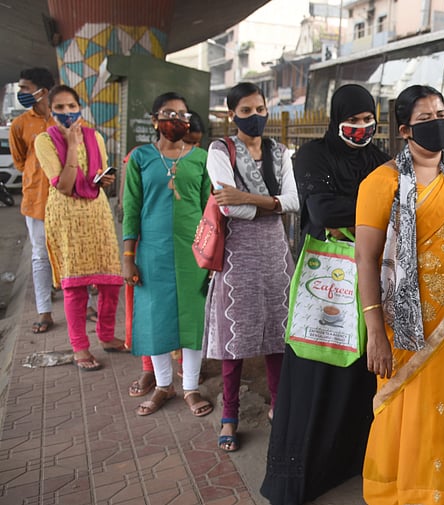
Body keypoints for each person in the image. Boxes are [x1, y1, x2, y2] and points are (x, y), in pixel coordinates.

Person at [356, 84, 444, 505]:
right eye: (425, 119)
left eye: (441, 114)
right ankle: (408, 493)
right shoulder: (381, 184)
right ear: (404, 130)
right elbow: (365, 260)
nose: (437, 123)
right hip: (406, 330)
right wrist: (375, 331)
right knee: (405, 409)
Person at [261, 84, 391, 504]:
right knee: (320, 362)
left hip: (373, 274)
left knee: (360, 372)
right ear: (337, 120)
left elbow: (394, 205)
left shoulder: (380, 157)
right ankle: (301, 476)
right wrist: (371, 207)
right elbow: (321, 213)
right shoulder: (311, 156)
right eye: (353, 121)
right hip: (327, 278)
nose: (361, 128)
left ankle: (352, 460)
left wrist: (348, 209)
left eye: (368, 120)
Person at [204, 82, 299, 452]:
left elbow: (293, 202)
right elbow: (230, 209)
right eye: (246, 111)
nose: (255, 116)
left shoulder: (281, 152)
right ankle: (230, 415)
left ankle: (279, 404)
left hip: (275, 252)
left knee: (278, 333)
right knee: (235, 338)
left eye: (260, 109)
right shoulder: (220, 151)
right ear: (232, 115)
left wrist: (247, 196)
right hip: (238, 255)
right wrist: (268, 202)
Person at [122, 92, 212, 417]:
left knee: (193, 319)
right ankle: (163, 386)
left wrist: (214, 255)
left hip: (194, 253)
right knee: (155, 319)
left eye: (182, 114)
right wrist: (128, 256)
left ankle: (190, 388)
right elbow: (131, 209)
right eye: (168, 113)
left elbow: (209, 210)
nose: (176, 119)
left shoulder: (201, 158)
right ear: (154, 119)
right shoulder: (141, 158)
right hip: (152, 252)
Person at [33, 85, 124, 371]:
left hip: (96, 213)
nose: (67, 112)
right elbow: (63, 184)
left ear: (79, 106)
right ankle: (80, 347)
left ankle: (106, 336)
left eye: (72, 106)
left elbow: (98, 174)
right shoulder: (44, 141)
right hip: (67, 217)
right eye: (59, 108)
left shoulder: (94, 136)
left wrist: (103, 180)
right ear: (51, 111)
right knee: (76, 286)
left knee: (110, 281)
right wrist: (71, 145)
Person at [9, 67, 55, 334]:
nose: (20, 93)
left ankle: (84, 306)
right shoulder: (19, 125)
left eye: (25, 88)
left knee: (66, 253)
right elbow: (20, 160)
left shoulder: (64, 120)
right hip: (35, 201)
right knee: (39, 255)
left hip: (64, 201)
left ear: (42, 91)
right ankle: (44, 311)